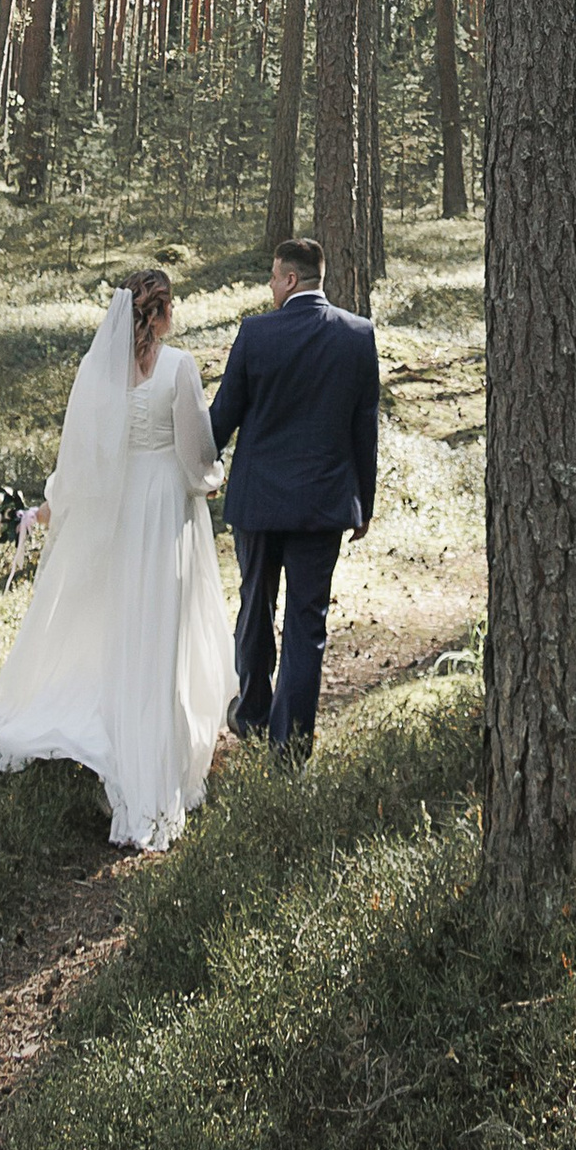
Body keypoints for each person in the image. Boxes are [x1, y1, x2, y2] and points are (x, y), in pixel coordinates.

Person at [0, 268, 232, 851]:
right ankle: (153, 768)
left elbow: (80, 459)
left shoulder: (98, 371)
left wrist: (50, 509)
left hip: (121, 508)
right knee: (161, 631)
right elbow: (196, 452)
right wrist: (210, 481)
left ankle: (119, 744)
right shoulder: (179, 368)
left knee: (125, 625)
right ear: (162, 313)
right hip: (165, 507)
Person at [209, 234, 380, 759]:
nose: (270, 287)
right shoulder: (357, 334)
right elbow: (364, 428)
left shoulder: (255, 333)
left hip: (258, 503)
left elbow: (222, 419)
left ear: (288, 279)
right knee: (307, 623)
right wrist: (364, 504)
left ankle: (252, 715)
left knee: (255, 608)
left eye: (272, 278)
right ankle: (290, 747)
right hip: (322, 505)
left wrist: (188, 468)